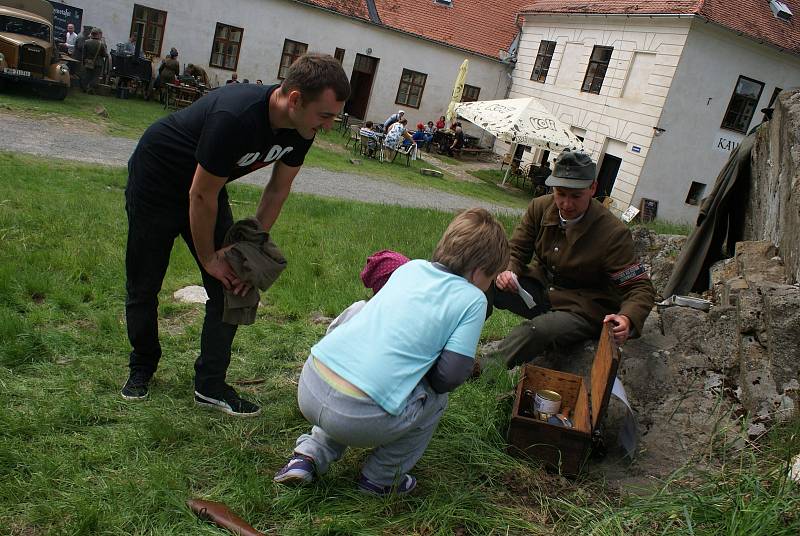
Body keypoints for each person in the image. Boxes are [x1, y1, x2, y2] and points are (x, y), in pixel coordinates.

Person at [120, 54, 351, 417]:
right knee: (145, 283)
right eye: (325, 116)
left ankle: (210, 385)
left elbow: (277, 191)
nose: (329, 127)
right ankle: (142, 366)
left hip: (207, 189)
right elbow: (199, 195)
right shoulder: (236, 116)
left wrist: (246, 251)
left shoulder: (302, 129)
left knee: (233, 286)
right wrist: (210, 257)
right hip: (157, 181)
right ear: (294, 100)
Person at [273, 208, 510, 495]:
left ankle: (308, 455)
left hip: (311, 386)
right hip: (360, 417)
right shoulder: (473, 298)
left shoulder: (411, 268)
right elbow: (450, 375)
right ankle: (381, 477)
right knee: (436, 398)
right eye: (491, 277)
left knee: (363, 354)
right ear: (478, 273)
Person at [481, 149, 656, 371]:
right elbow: (516, 249)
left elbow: (640, 287)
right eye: (560, 193)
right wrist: (509, 271)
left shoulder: (613, 233)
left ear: (592, 188)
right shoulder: (540, 207)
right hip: (541, 291)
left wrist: (627, 318)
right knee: (484, 282)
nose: (566, 204)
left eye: (576, 196)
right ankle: (457, 345)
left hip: (581, 308)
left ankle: (482, 371)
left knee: (537, 330)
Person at [80, 27, 107, 93]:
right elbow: (104, 54)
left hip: (88, 62)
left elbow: (84, 54)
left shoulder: (86, 42)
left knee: (87, 75)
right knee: (95, 76)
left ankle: (84, 87)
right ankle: (91, 89)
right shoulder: (101, 44)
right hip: (98, 63)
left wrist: (83, 61)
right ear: (98, 34)